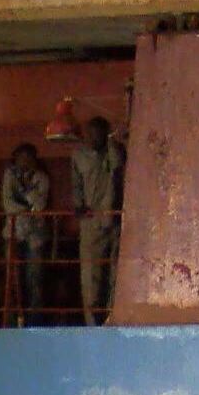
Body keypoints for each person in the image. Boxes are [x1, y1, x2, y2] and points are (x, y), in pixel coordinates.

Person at [71, 117, 125, 325]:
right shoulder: (79, 156)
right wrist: (78, 206)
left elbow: (117, 164)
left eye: (100, 132)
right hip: (91, 222)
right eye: (92, 132)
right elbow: (76, 185)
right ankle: (92, 323)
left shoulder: (114, 152)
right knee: (91, 275)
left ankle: (111, 319)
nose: (95, 137)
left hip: (114, 221)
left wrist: (111, 141)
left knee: (114, 274)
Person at [0, 143, 51, 325]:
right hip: (13, 234)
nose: (25, 161)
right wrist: (28, 208)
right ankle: (13, 322)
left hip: (35, 236)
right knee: (13, 280)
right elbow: (7, 204)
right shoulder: (9, 176)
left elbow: (40, 205)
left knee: (34, 279)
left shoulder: (42, 178)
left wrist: (23, 192)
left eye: (29, 157)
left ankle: (35, 323)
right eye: (21, 157)